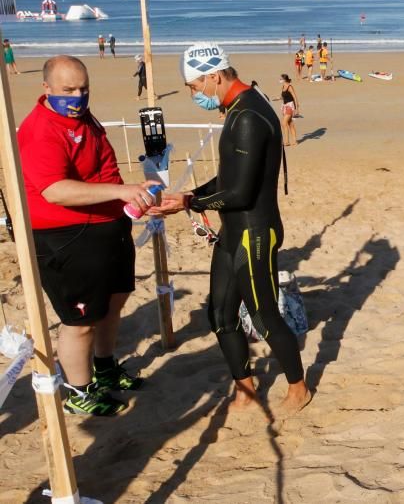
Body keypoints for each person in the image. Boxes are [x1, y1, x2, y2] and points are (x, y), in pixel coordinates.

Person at [152, 43, 310, 414]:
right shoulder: (239, 110)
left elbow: (239, 193)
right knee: (220, 315)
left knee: (264, 315)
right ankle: (245, 387)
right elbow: (229, 178)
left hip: (255, 231)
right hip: (234, 231)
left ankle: (298, 387)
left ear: (214, 75)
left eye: (194, 86)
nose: (194, 95)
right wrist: (190, 195)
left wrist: (189, 203)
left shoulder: (249, 116)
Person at [18, 56, 155, 416]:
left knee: (114, 302)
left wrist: (136, 194)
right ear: (46, 89)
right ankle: (78, 391)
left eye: (83, 89)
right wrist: (120, 192)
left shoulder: (84, 117)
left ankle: (106, 369)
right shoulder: (40, 129)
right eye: (68, 90)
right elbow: (56, 190)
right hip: (65, 235)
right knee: (79, 321)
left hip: (108, 226)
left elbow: (105, 168)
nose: (77, 97)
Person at [278, 74, 300, 146]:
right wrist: (279, 98)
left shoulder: (289, 86)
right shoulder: (283, 86)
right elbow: (283, 96)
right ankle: (295, 141)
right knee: (290, 124)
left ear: (284, 79)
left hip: (290, 106)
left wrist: (297, 108)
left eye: (281, 78)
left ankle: (286, 141)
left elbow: (295, 97)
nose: (280, 80)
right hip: (284, 106)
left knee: (283, 123)